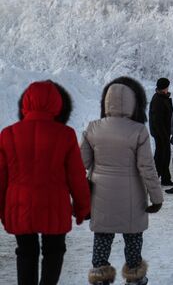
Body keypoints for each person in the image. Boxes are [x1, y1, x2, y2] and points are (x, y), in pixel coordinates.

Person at [0, 81, 90, 285]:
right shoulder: (66, 135)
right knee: (54, 251)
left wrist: (2, 210)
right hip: (54, 206)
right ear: (55, 104)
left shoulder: (8, 134)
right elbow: (76, 176)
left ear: (26, 102)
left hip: (19, 205)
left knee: (25, 252)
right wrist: (82, 207)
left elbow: (1, 178)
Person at [81, 77, 162, 285]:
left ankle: (100, 275)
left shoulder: (92, 128)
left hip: (101, 196)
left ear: (106, 101)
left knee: (102, 237)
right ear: (133, 102)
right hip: (132, 195)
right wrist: (156, 197)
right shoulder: (138, 131)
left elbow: (82, 163)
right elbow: (147, 168)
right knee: (133, 237)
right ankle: (135, 276)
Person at [149, 77, 173, 186]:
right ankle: (154, 178)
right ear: (164, 88)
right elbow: (157, 120)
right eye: (167, 87)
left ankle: (165, 178)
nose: (168, 89)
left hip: (163, 132)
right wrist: (163, 135)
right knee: (161, 156)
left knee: (163, 155)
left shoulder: (162, 97)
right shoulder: (158, 100)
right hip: (161, 133)